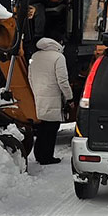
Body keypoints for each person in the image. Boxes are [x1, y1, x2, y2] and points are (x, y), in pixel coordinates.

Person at [29, 35, 72, 165]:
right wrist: (69, 97)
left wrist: (36, 91)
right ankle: (47, 157)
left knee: (43, 127)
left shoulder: (35, 56)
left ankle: (39, 155)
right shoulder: (59, 57)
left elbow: (30, 77)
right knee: (52, 128)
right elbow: (63, 81)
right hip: (53, 96)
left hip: (39, 94)